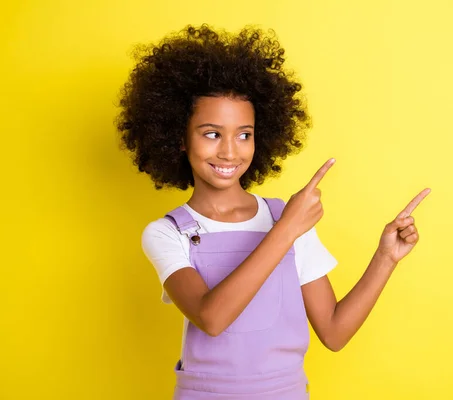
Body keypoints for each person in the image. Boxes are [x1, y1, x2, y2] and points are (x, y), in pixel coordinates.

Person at [116, 24, 431, 400]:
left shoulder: (290, 217)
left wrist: (386, 258)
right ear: (179, 139)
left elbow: (333, 332)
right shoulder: (168, 233)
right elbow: (212, 318)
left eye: (244, 134)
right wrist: (286, 230)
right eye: (212, 133)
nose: (230, 152)